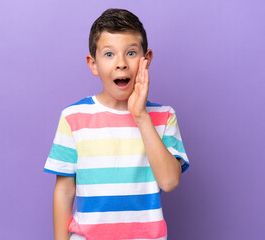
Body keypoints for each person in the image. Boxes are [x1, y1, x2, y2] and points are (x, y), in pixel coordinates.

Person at [44, 8, 190, 240]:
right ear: (93, 64)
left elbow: (170, 182)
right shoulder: (73, 117)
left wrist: (141, 116)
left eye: (131, 53)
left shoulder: (164, 117)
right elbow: (64, 190)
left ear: (146, 59)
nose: (121, 63)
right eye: (109, 54)